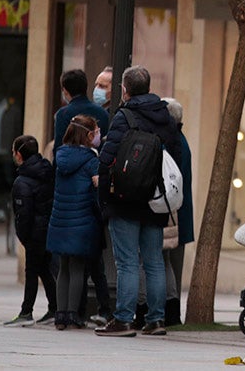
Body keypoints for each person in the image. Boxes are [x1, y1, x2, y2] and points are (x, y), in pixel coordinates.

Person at [95, 65, 180, 337]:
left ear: (125, 89)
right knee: (154, 261)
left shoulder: (124, 116)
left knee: (128, 262)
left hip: (125, 198)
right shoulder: (164, 116)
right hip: (155, 199)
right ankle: (156, 320)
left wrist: (104, 196)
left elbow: (107, 158)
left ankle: (123, 319)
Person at [47, 115, 102, 330]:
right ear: (88, 135)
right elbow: (95, 191)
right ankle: (72, 313)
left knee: (63, 268)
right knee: (78, 268)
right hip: (82, 219)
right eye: (95, 131)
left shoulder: (60, 156)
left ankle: (60, 315)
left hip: (60, 218)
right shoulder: (91, 160)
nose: (98, 135)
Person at [3, 135, 57, 327]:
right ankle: (54, 307)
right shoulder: (47, 171)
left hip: (34, 232)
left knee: (32, 271)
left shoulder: (22, 181)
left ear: (18, 155)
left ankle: (27, 311)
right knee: (44, 269)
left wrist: (23, 236)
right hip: (49, 228)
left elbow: (23, 214)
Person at [161, 97, 193, 327]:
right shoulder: (179, 140)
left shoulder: (173, 142)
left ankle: (169, 313)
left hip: (172, 213)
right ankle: (170, 313)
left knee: (167, 264)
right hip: (178, 212)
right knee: (169, 264)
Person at [54, 69, 110, 151]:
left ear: (65, 91)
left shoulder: (63, 114)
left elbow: (58, 146)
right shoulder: (103, 113)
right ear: (86, 87)